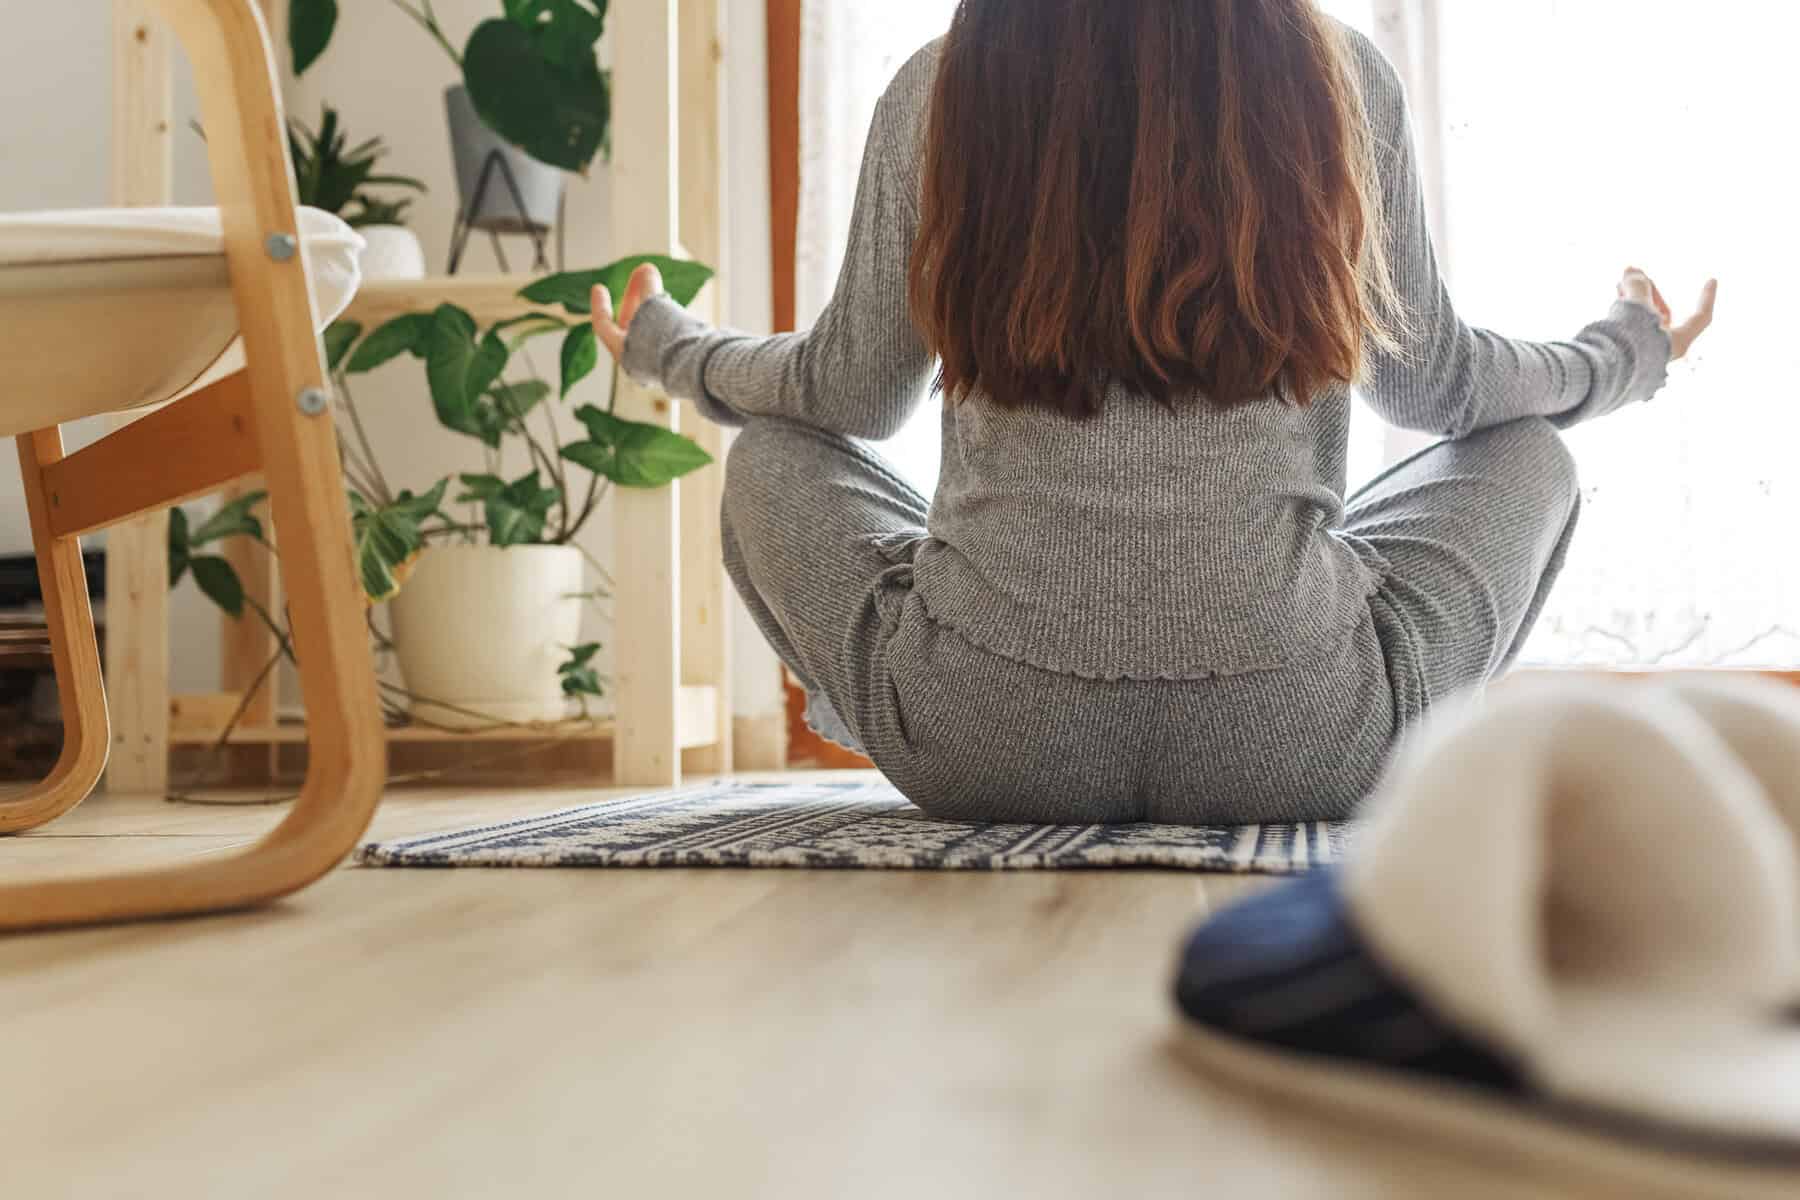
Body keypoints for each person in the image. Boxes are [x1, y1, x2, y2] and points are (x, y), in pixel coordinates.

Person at [591, 1, 1716, 825]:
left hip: (988, 744)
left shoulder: (941, 84)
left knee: (770, 459)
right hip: (1305, 739)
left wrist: (671, 346)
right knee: (1531, 454)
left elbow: (845, 394)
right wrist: (1626, 349)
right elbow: (1446, 389)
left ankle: (922, 704)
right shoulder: (1341, 73)